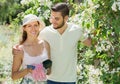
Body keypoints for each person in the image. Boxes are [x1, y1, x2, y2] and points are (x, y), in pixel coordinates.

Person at [13, 2, 91, 84]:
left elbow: (90, 43)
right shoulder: (45, 32)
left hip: (70, 80)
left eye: (56, 18)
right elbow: (30, 41)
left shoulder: (76, 30)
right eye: (52, 17)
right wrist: (15, 47)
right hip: (50, 80)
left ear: (66, 18)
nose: (53, 21)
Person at [11, 14, 51, 84]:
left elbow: (49, 70)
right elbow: (14, 76)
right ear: (24, 28)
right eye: (29, 26)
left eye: (35, 25)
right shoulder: (20, 50)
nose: (33, 29)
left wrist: (44, 70)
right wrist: (28, 70)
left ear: (39, 26)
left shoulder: (45, 44)